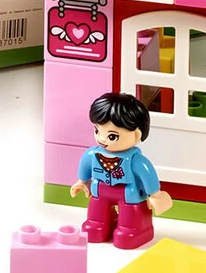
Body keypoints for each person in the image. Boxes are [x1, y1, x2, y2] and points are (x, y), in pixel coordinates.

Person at [71, 92, 172, 250]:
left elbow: (148, 175)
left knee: (130, 218)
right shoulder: (93, 154)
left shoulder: (136, 161)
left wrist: (155, 195)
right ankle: (98, 223)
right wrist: (82, 181)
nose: (102, 139)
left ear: (136, 135)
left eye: (112, 136)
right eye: (97, 131)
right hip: (100, 191)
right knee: (96, 216)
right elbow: (85, 167)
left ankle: (133, 229)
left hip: (129, 194)